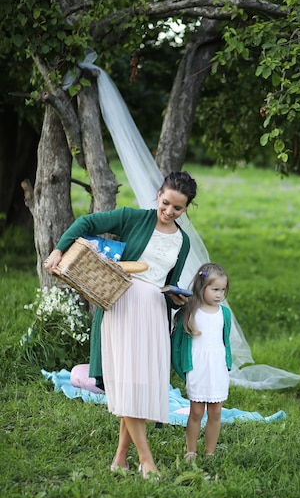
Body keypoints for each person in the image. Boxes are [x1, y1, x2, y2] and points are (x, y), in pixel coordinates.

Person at [45, 171, 198, 478]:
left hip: (154, 312)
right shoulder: (132, 218)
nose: (169, 211)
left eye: (177, 208)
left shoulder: (182, 241)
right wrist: (59, 249)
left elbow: (171, 284)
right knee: (127, 381)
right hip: (122, 304)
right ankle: (146, 461)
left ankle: (120, 459)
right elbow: (86, 225)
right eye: (166, 203)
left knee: (139, 385)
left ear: (186, 209)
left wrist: (176, 300)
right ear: (158, 195)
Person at [171, 262, 232, 460]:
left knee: (216, 412)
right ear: (201, 287)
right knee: (196, 412)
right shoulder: (191, 312)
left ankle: (210, 452)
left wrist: (226, 364)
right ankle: (191, 451)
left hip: (217, 368)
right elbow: (178, 341)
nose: (219, 294)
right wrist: (181, 367)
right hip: (198, 367)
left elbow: (225, 341)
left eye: (222, 290)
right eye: (215, 289)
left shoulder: (224, 314)